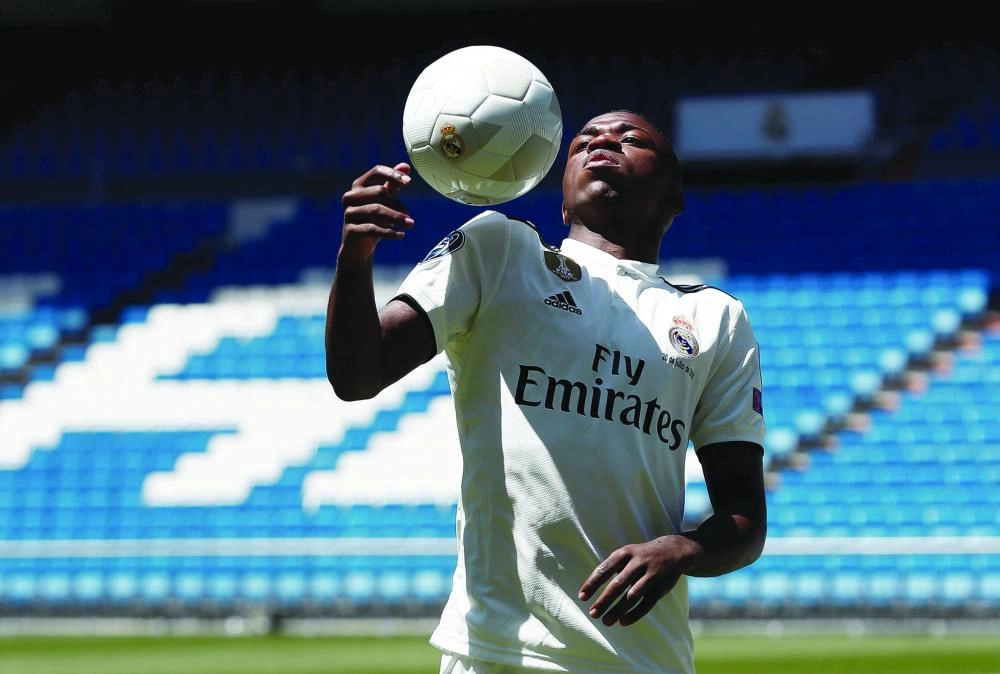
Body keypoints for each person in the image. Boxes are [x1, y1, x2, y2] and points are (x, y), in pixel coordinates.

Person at [326, 110, 767, 674]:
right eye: (584, 141)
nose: (603, 141)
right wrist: (355, 256)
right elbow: (357, 376)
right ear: (562, 198)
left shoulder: (714, 318)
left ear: (672, 197)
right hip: (496, 651)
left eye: (632, 139)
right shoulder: (499, 251)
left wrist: (683, 549)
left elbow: (745, 522)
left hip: (641, 657)